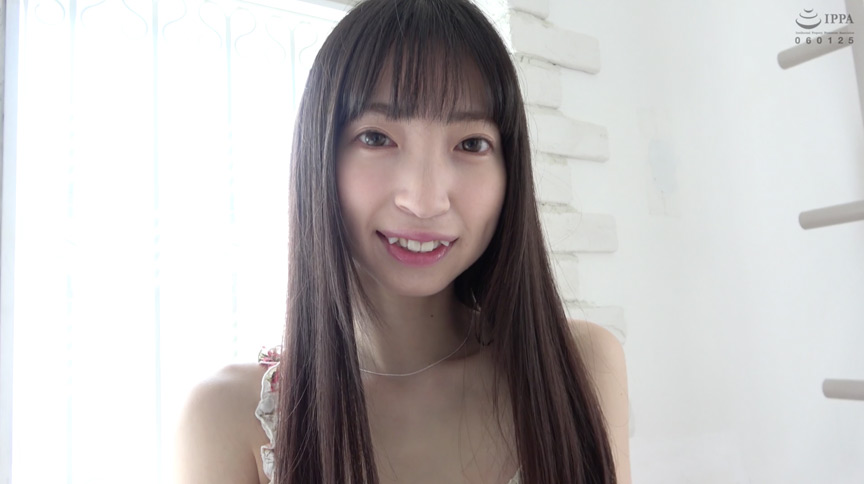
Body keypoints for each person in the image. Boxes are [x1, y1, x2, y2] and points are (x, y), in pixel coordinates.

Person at [173, 0, 630, 482]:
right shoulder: (230, 417)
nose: (425, 201)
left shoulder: (581, 366)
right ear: (319, 157)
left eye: (471, 144)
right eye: (376, 138)